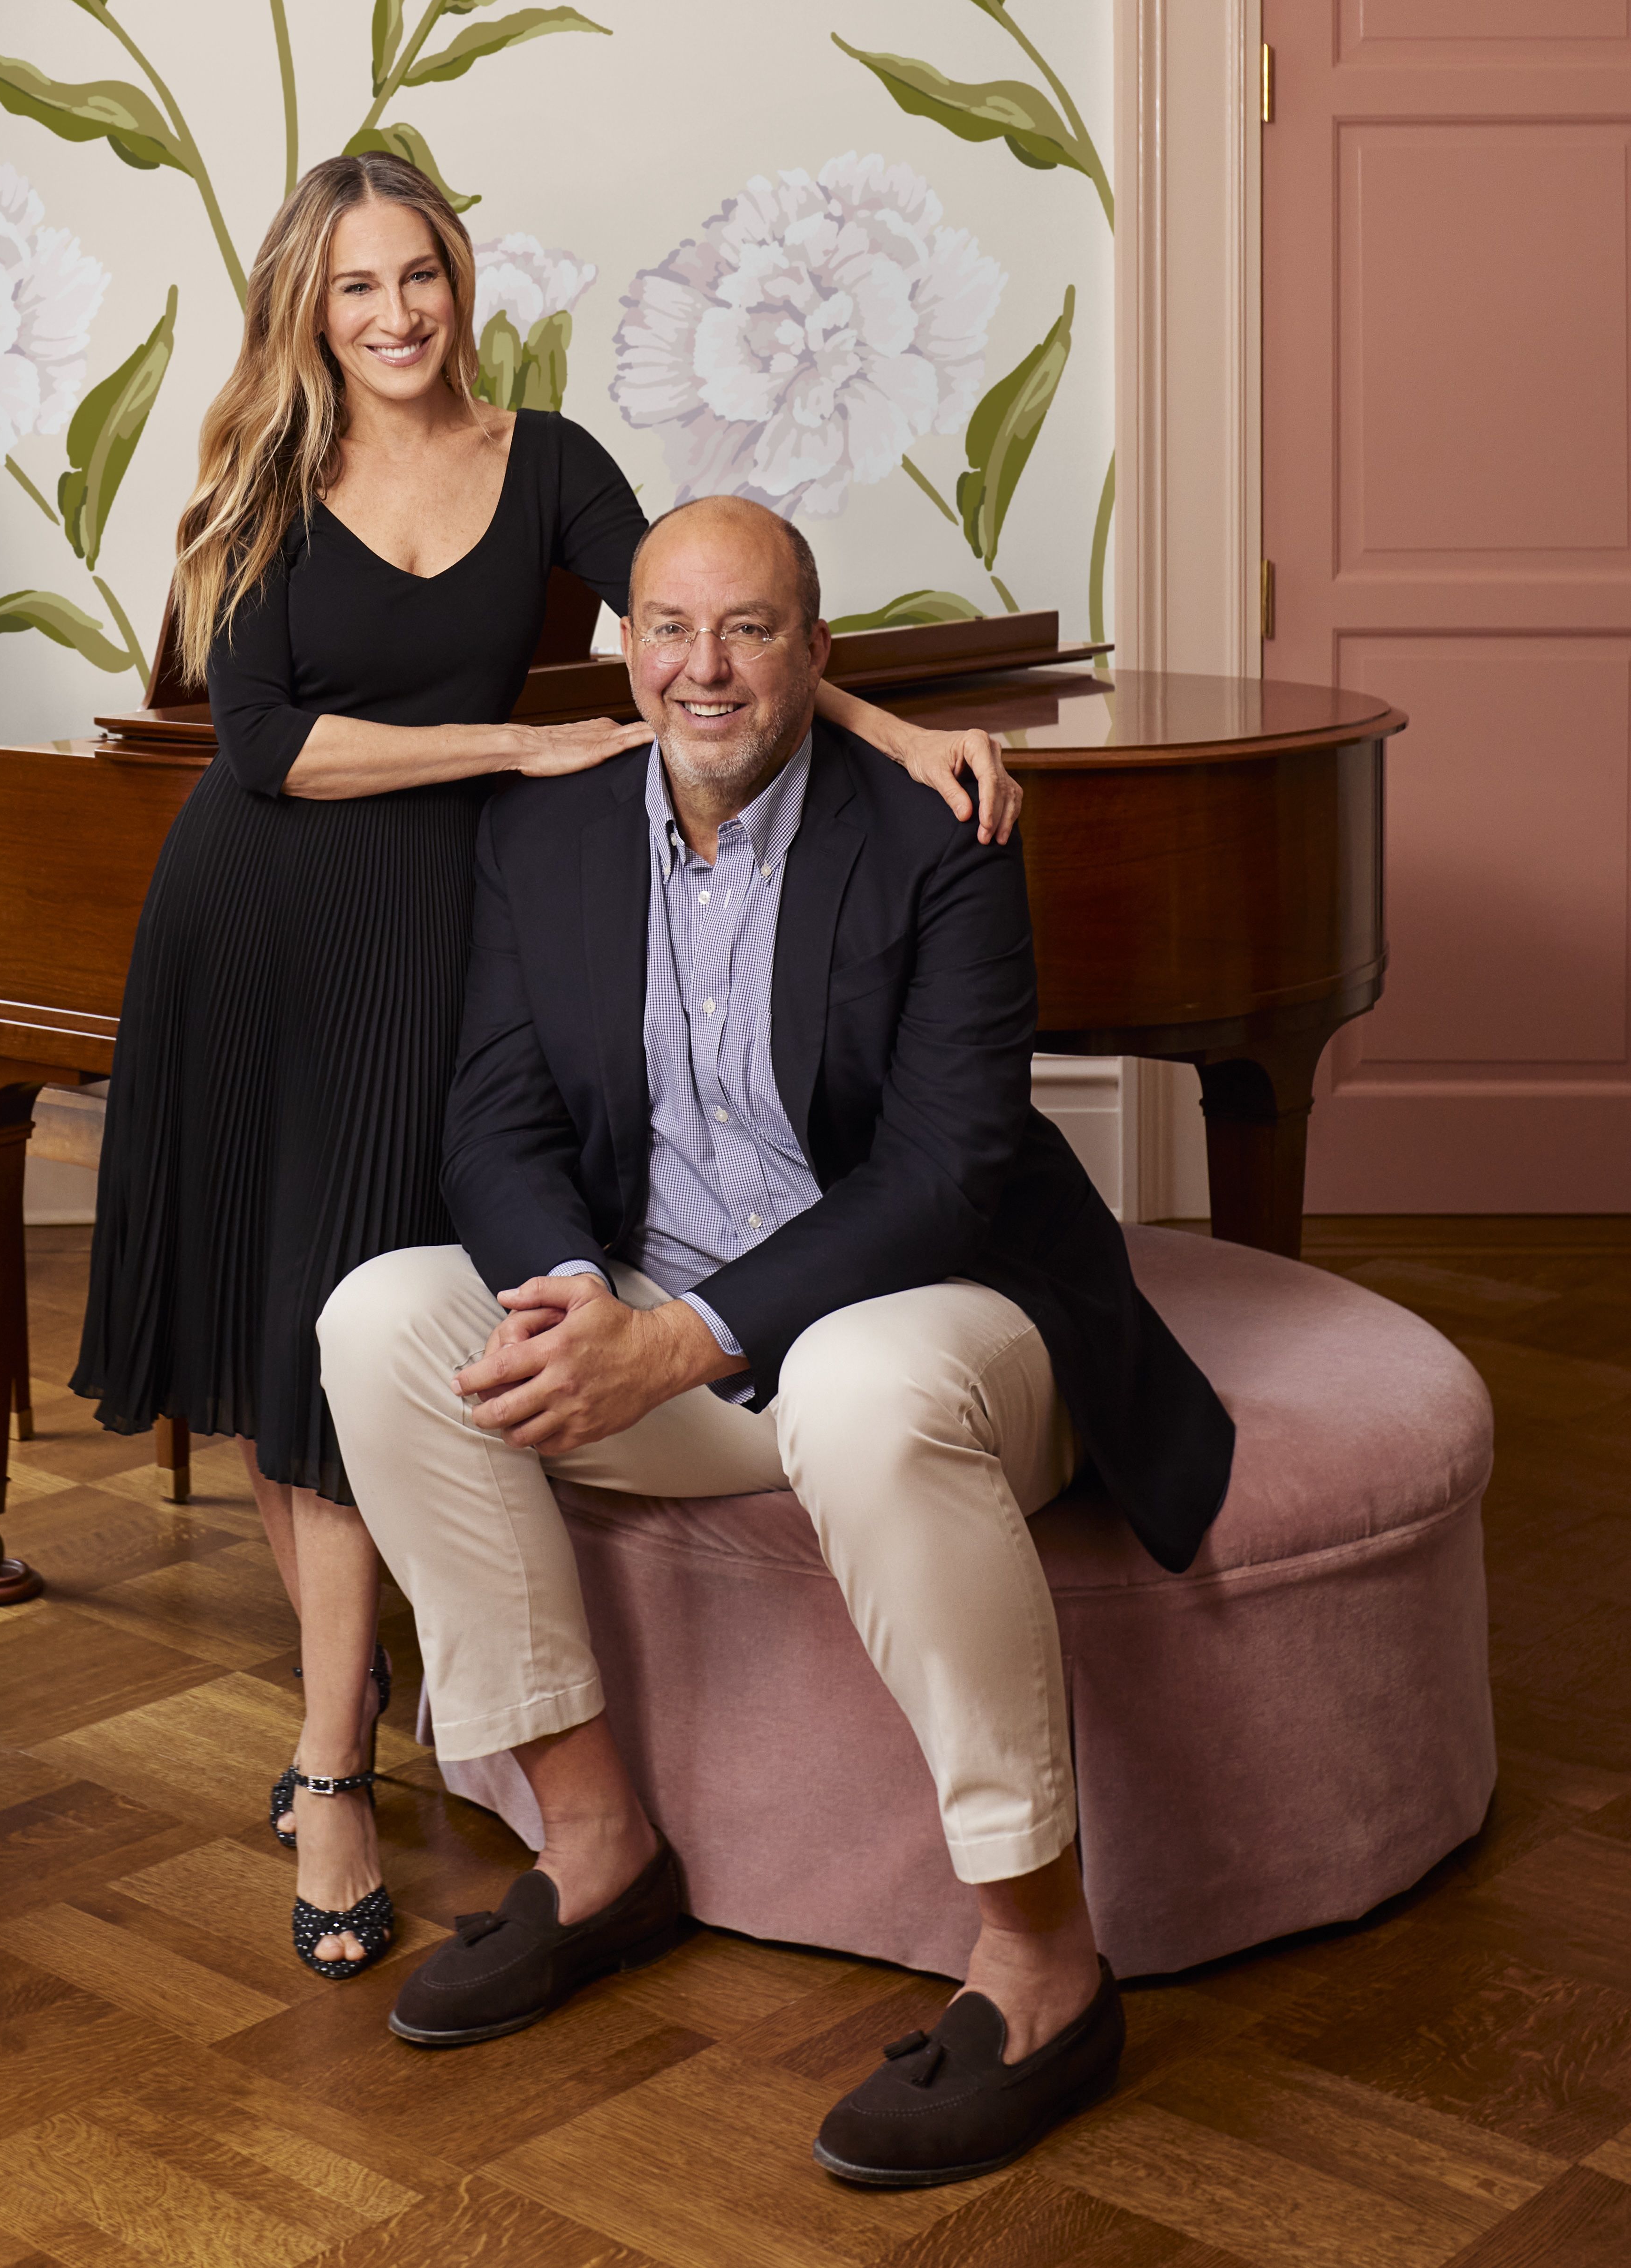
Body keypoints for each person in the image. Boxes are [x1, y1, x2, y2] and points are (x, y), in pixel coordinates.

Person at [74, 152, 1026, 1980]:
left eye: (418, 275)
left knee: (377, 1314)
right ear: (310, 307)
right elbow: (258, 744)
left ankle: (386, 1717)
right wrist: (507, 756)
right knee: (296, 1334)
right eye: (355, 288)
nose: (395, 315)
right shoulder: (268, 480)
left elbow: (703, 627)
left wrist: (889, 725)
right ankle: (331, 1751)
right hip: (264, 927)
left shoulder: (552, 462)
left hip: (448, 937)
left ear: (456, 280)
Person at [317, 492, 1235, 2186]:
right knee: (382, 1316)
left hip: (942, 1326)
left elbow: (947, 1170)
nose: (705, 666)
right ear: (627, 649)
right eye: (669, 627)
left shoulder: (939, 827)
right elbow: (493, 1130)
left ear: (817, 653)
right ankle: (595, 1846)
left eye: (748, 628)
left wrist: (681, 1339)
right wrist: (581, 1304)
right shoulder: (554, 833)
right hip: (672, 1327)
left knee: (860, 1382)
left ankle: (1043, 1959)